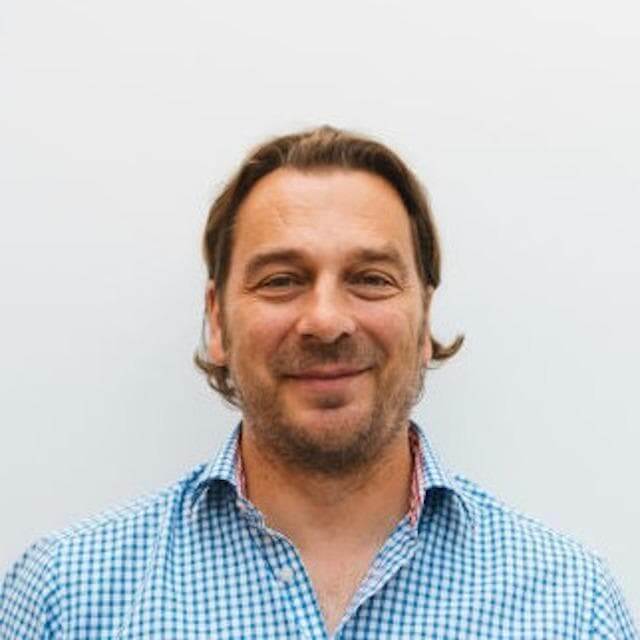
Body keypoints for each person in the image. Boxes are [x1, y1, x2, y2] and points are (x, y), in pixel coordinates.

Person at [1, 126, 636, 640]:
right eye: (281, 280)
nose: (326, 321)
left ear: (424, 320)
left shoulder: (569, 605)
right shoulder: (67, 596)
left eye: (371, 279)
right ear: (217, 321)